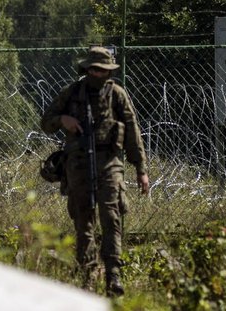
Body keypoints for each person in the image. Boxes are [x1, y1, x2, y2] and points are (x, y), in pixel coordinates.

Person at [40, 45, 149, 297]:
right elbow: (46, 121)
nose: (98, 74)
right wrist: (63, 120)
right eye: (94, 69)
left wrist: (141, 169)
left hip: (110, 164)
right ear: (87, 69)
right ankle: (87, 277)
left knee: (111, 218)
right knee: (83, 222)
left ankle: (113, 275)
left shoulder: (116, 95)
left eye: (103, 70)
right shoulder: (72, 93)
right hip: (77, 165)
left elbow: (133, 131)